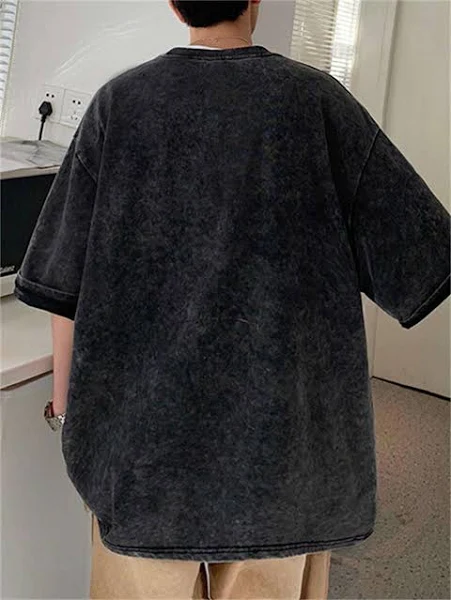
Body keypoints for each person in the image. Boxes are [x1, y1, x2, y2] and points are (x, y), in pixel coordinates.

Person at [14, 1, 450, 598]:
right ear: (256, 0)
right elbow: (420, 254)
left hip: (143, 462)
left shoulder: (119, 104)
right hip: (281, 465)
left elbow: (63, 287)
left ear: (175, 5)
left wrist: (67, 413)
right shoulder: (317, 103)